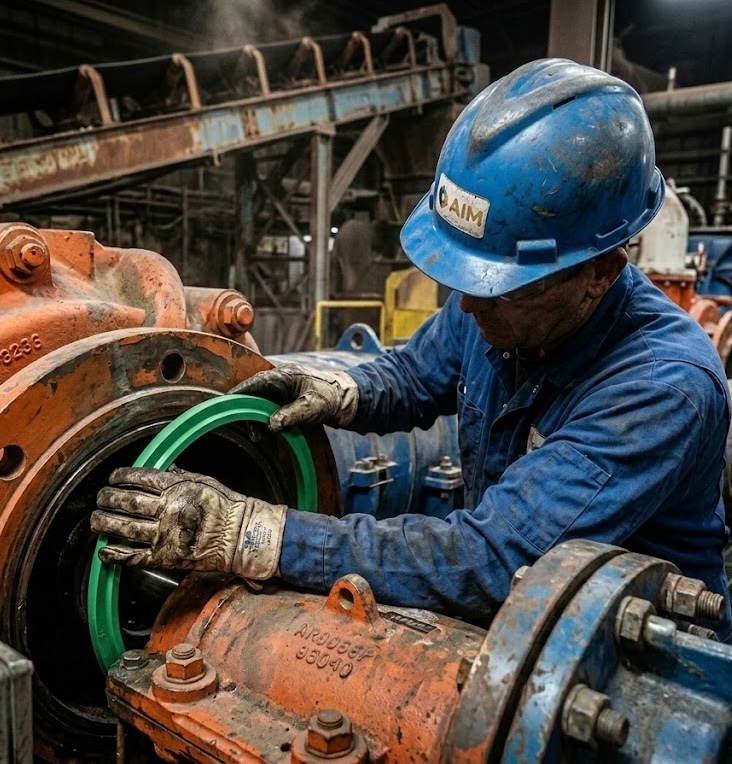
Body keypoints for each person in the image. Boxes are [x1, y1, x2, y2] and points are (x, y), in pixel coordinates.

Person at [92, 58, 732, 638]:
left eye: (498, 288)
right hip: (527, 627)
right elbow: (417, 373)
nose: (469, 305)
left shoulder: (661, 386)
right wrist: (342, 391)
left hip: (638, 662)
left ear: (600, 272)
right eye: (464, 278)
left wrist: (254, 535)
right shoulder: (503, 304)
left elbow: (494, 557)